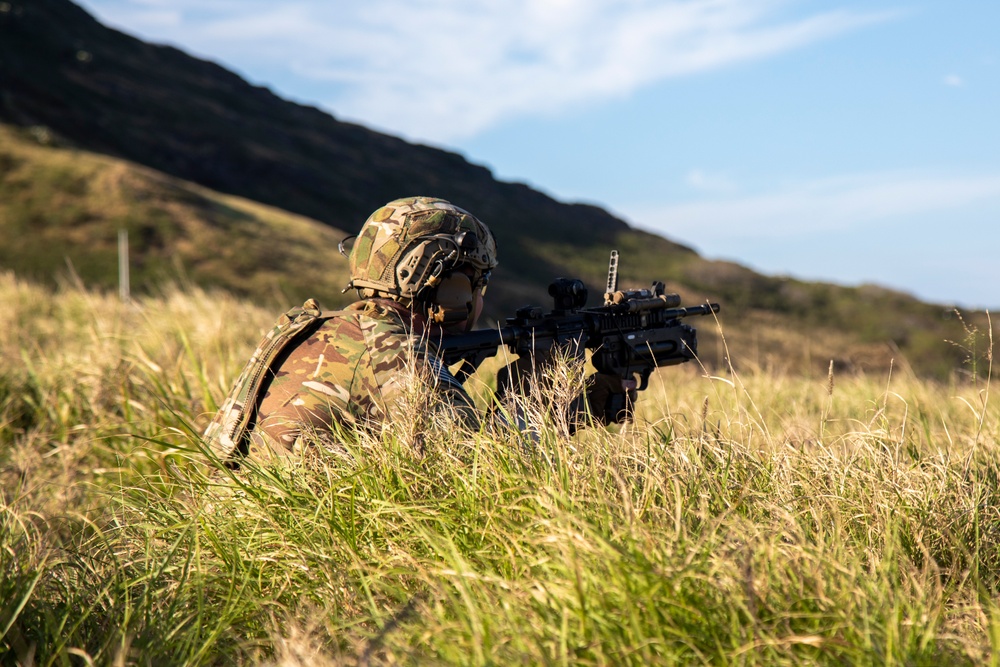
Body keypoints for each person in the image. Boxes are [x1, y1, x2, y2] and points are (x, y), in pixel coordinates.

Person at [205, 196, 633, 463]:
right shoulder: (400, 359)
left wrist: (576, 410)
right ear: (450, 287)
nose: (479, 299)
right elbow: (488, 485)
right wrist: (533, 395)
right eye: (477, 282)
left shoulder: (316, 330)